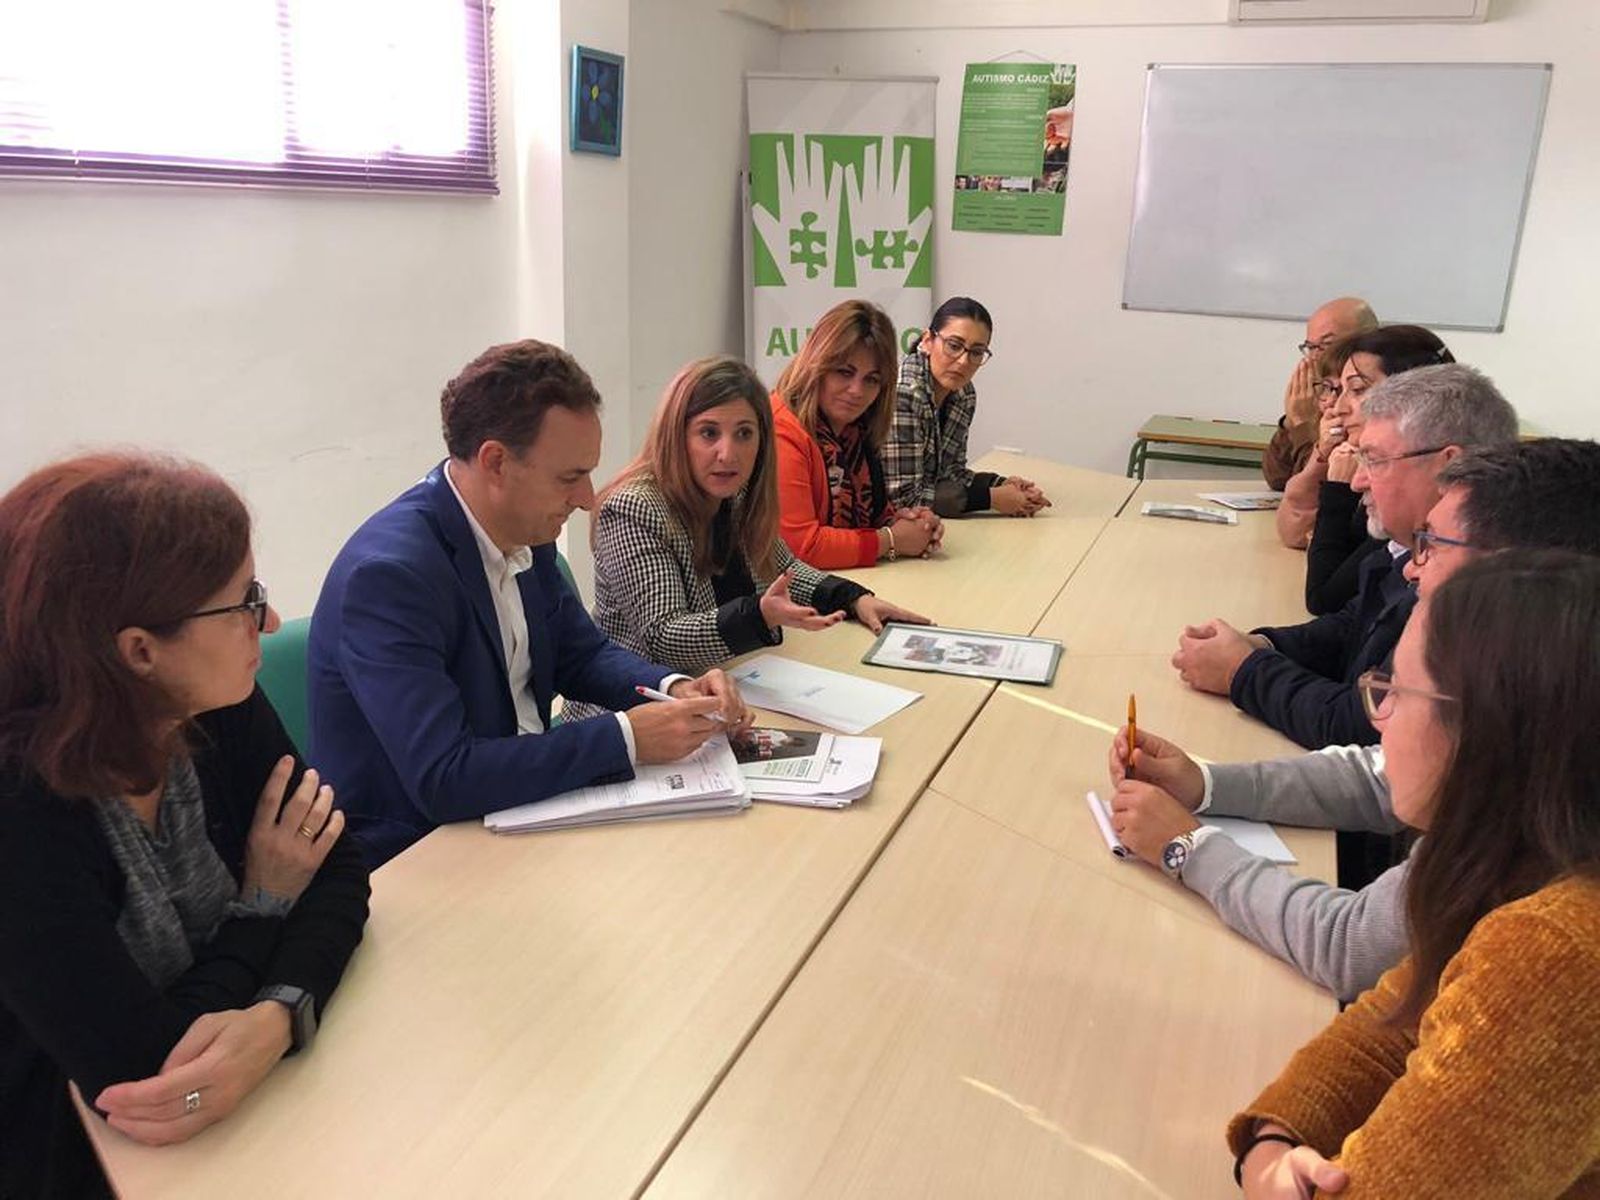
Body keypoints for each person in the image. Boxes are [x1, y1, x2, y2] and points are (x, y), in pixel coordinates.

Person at [1109, 437, 1600, 1004]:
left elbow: (1351, 946)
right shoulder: (1532, 691)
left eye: (1432, 545)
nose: (1413, 567)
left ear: (1524, 577)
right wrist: (1206, 783)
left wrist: (1186, 848)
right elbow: (1377, 771)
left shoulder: (1540, 798)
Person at [0, 453, 370, 1198]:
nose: (266, 620)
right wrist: (264, 906)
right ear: (138, 652)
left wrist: (278, 1017)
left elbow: (335, 865)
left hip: (245, 1118)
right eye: (242, 602)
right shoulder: (20, 807)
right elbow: (144, 1072)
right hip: (80, 1155)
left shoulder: (215, 702)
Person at [1225, 551, 1600, 1198]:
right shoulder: (1523, 851)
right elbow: (1393, 1021)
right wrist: (1272, 1141)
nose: (1378, 717)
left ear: (1486, 731)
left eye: (1395, 691)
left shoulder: (1557, 950)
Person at [308, 340, 749, 868]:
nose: (588, 498)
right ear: (496, 462)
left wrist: (673, 688)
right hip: (418, 855)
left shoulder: (524, 528)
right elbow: (443, 776)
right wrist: (626, 737)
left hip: (521, 811)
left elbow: (581, 655)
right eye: (570, 477)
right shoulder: (389, 577)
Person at [1172, 364, 1516, 751]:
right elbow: (1350, 627)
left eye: (1374, 460)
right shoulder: (1406, 548)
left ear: (1446, 465)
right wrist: (1260, 646)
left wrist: (1242, 671)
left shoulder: (1474, 583)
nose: (1356, 480)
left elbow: (1362, 725)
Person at [581, 356, 930, 704]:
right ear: (676, 435)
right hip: (635, 711)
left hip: (727, 685)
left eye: (744, 434)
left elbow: (784, 569)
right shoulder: (632, 508)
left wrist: (854, 598)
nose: (727, 453)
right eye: (708, 433)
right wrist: (758, 616)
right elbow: (665, 635)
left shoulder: (735, 492)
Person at [1277, 326, 1456, 615]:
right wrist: (1321, 455)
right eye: (1335, 389)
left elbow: (1324, 598)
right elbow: (1292, 530)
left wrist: (1337, 489)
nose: (1337, 406)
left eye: (1357, 390)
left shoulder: (1411, 484)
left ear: (1413, 395)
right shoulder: (1362, 459)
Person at [770, 299, 944, 569]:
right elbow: (801, 549)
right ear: (816, 365)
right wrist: (890, 540)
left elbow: (875, 515)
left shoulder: (856, 431)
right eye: (844, 372)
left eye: (871, 380)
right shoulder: (781, 430)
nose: (857, 391)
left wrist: (908, 523)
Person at [883, 296, 1052, 518]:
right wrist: (991, 498)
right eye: (954, 346)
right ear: (927, 341)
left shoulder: (964, 393)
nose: (963, 361)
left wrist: (1001, 484)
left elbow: (950, 472)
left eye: (976, 352)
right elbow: (904, 498)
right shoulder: (904, 393)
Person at [1261, 297, 1377, 491]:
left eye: (1326, 344)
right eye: (1310, 347)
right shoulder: (1323, 390)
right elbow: (1278, 478)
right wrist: (1291, 422)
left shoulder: (1367, 401)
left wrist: (1301, 426)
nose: (1315, 357)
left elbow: (1318, 490)